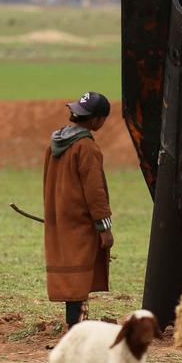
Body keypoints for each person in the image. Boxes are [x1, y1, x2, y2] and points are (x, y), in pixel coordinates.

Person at [43, 91, 114, 330]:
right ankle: (77, 328)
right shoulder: (87, 148)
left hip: (60, 216)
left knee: (71, 272)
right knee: (80, 274)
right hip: (80, 221)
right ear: (96, 121)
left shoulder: (55, 143)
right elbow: (96, 193)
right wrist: (104, 227)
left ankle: (73, 324)